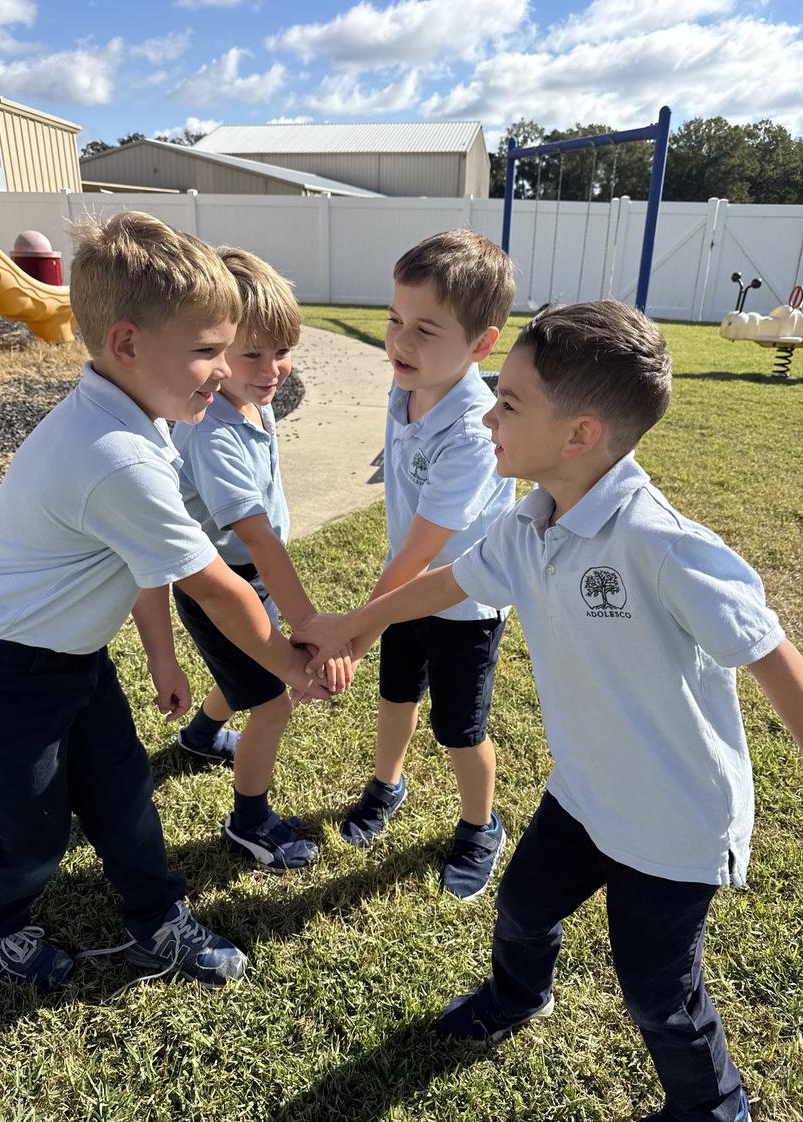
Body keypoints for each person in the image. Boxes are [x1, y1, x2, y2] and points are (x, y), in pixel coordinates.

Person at [294, 300, 803, 1122]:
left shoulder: (662, 544)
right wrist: (350, 625)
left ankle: (715, 1109)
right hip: (583, 793)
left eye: (510, 404)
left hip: (675, 823)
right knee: (523, 909)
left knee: (657, 993)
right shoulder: (528, 524)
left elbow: (771, 655)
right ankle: (519, 996)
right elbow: (449, 583)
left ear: (580, 436)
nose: (488, 415)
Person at [0, 212, 333, 991]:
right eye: (206, 352)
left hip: (73, 659)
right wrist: (294, 664)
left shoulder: (135, 415)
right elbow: (220, 587)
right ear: (127, 344)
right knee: (29, 839)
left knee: (125, 795)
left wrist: (162, 653)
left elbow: (145, 562)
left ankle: (156, 919)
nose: (222, 369)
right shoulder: (117, 456)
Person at [335, 228, 517, 902]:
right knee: (395, 697)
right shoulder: (407, 386)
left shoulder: (473, 428)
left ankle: (480, 824)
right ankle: (388, 783)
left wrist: (355, 629)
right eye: (393, 320)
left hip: (464, 602)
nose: (400, 343)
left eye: (425, 330)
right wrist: (372, 625)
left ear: (479, 345)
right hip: (407, 591)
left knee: (460, 730)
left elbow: (420, 551)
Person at [172, 247, 350, 871]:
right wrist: (308, 624)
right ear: (214, 347)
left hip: (248, 580)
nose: (274, 369)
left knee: (248, 678)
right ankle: (249, 822)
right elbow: (259, 542)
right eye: (253, 353)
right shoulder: (211, 432)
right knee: (273, 701)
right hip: (218, 587)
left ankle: (197, 738)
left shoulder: (254, 401)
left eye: (282, 350)